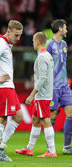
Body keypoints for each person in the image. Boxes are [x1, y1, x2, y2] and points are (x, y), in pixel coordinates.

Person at [0, 20, 23, 161]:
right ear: (8, 31)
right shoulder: (1, 44)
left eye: (20, 35)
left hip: (9, 86)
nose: (18, 38)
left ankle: (0, 146)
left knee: (18, 116)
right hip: (3, 87)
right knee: (1, 118)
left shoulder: (6, 45)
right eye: (16, 35)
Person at [15, 32, 57, 157]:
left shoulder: (42, 57)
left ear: (37, 42)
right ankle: (29, 148)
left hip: (42, 95)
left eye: (33, 41)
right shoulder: (47, 55)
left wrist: (32, 95)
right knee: (35, 119)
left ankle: (52, 151)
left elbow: (43, 78)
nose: (33, 43)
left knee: (45, 120)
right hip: (45, 93)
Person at [46, 19, 72, 154]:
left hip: (65, 86)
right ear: (60, 29)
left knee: (71, 113)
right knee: (52, 114)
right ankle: (50, 148)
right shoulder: (49, 45)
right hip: (53, 87)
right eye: (65, 27)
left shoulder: (64, 44)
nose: (67, 30)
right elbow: (45, 65)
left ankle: (67, 147)